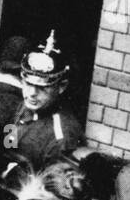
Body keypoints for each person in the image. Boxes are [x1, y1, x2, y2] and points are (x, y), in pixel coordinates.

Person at [6, 30, 84, 168]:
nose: (32, 93)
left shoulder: (62, 136)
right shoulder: (23, 107)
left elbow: (53, 184)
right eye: (28, 83)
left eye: (41, 87)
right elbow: (8, 145)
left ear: (61, 87)